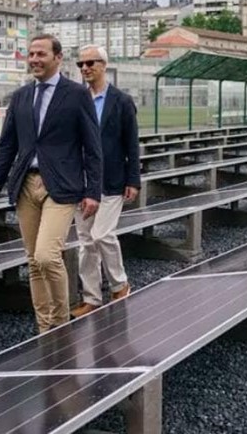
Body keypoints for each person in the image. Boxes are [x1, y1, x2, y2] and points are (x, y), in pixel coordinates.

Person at [0, 34, 102, 333]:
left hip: (60, 187)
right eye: (31, 54)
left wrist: (93, 191)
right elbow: (6, 146)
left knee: (47, 256)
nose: (34, 59)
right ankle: (44, 326)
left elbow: (92, 146)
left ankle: (60, 323)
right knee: (33, 261)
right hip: (25, 186)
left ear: (57, 58)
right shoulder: (21, 96)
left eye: (41, 54)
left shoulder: (76, 95)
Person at [71, 44, 140, 318]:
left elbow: (131, 144)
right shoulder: (78, 100)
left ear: (104, 65)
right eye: (81, 64)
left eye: (91, 63)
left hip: (111, 180)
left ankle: (120, 285)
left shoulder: (121, 101)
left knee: (102, 234)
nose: (86, 68)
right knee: (86, 243)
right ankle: (91, 298)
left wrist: (133, 178)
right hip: (83, 182)